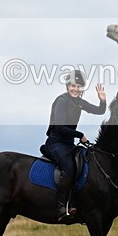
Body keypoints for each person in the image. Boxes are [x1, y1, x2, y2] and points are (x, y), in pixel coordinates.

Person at [45, 71, 106, 222]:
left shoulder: (79, 101)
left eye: (79, 86)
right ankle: (61, 207)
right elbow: (59, 128)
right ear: (67, 86)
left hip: (69, 144)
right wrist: (80, 135)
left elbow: (99, 111)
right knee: (70, 167)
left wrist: (102, 101)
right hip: (56, 142)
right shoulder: (62, 101)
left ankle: (79, 203)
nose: (76, 89)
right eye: (73, 86)